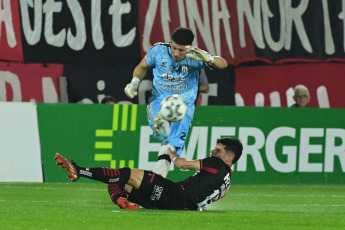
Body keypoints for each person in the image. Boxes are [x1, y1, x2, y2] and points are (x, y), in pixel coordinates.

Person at [124, 27, 228, 179]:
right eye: (174, 48)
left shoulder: (196, 55)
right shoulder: (158, 51)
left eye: (181, 50)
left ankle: (155, 183)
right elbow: (142, 67)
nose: (176, 53)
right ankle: (156, 181)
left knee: (170, 148)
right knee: (164, 134)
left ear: (189, 47)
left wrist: (208, 59)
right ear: (170, 43)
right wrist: (134, 82)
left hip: (184, 108)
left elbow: (223, 64)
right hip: (159, 101)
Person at [54, 137, 243, 211]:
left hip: (174, 195)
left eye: (217, 150)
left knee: (127, 174)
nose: (213, 152)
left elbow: (183, 165)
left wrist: (173, 155)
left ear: (229, 156)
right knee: (121, 181)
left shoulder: (217, 164)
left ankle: (78, 170)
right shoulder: (227, 182)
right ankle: (123, 201)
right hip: (177, 207)